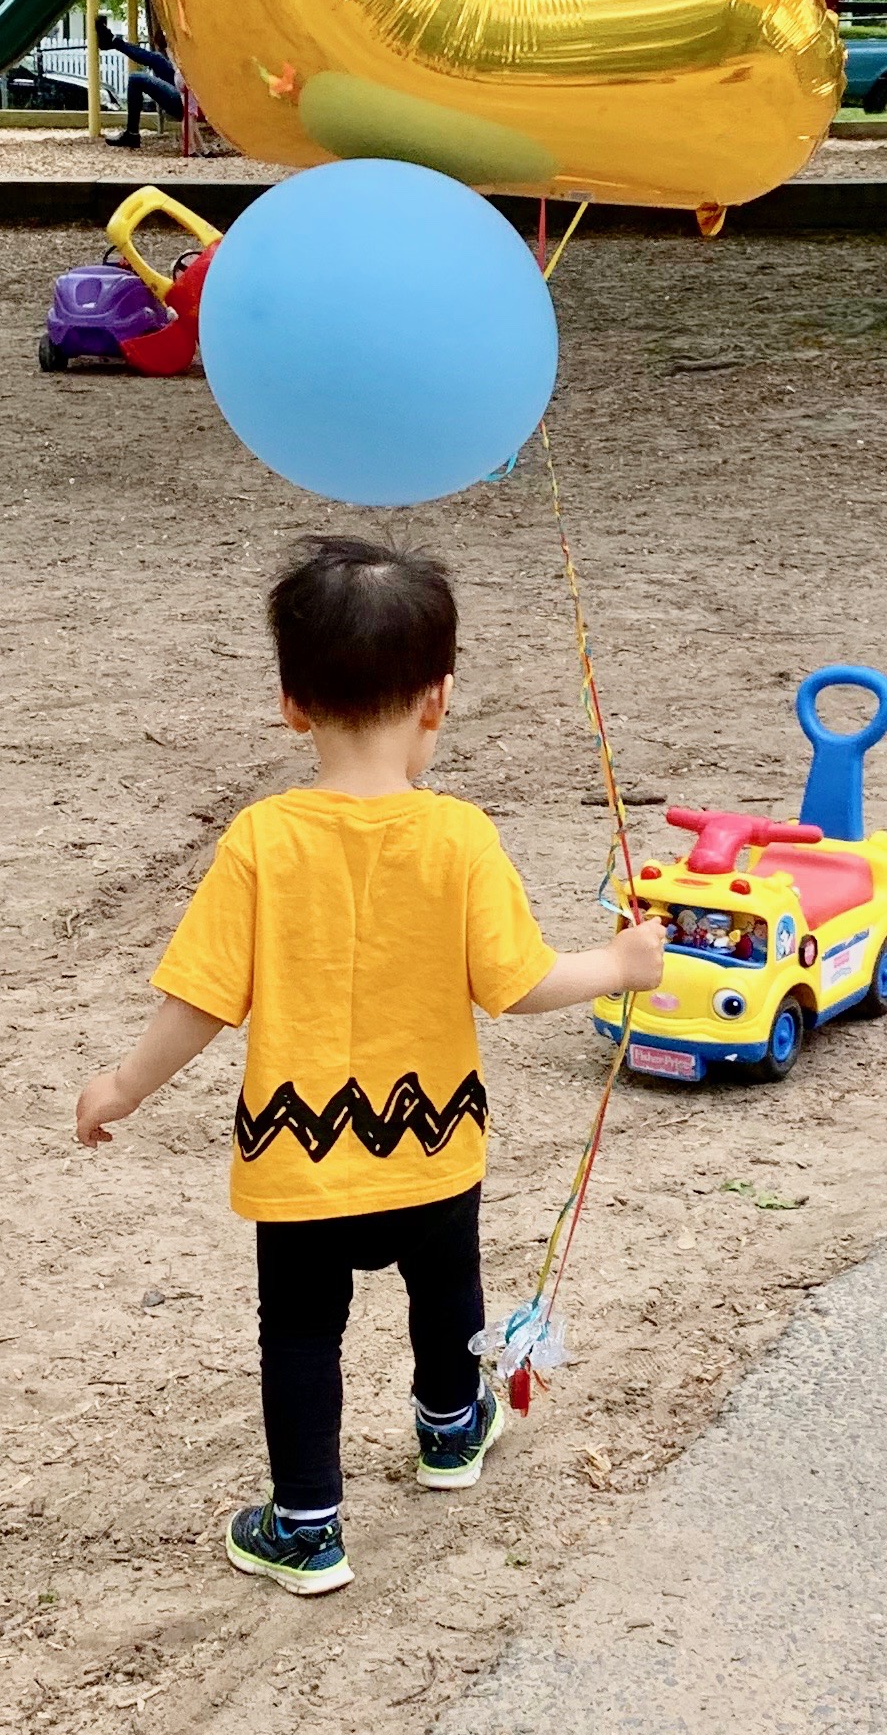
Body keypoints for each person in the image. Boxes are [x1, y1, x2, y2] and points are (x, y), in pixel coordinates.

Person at [76, 536, 668, 1597]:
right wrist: (619, 964)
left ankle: (306, 1525)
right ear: (439, 698)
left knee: (301, 1330)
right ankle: (450, 1426)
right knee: (447, 1288)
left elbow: (201, 999)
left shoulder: (262, 839)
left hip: (299, 1164)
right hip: (433, 1144)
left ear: (291, 703)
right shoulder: (459, 836)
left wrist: (121, 1085)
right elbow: (516, 981)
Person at [95, 9, 183, 148]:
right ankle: (112, 41)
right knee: (157, 59)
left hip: (187, 103)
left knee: (136, 79)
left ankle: (132, 134)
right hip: (185, 91)